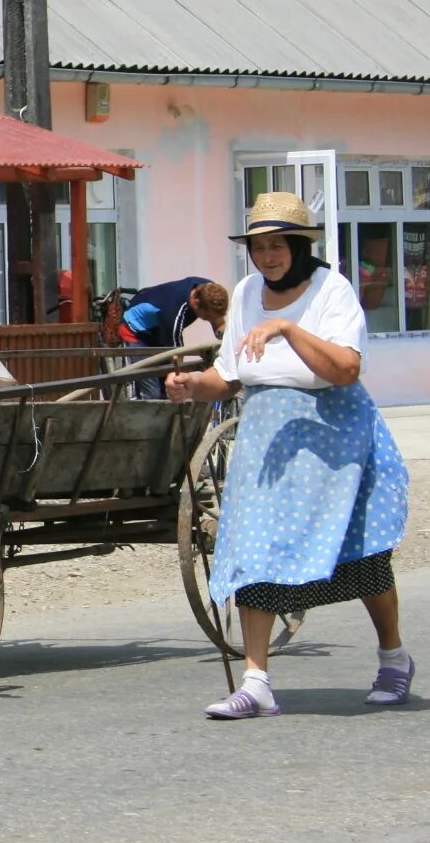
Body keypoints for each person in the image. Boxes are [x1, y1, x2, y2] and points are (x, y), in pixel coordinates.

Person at [164, 192, 412, 720]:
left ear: (300, 246)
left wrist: (288, 328)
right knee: (254, 551)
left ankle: (393, 657)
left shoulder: (332, 291)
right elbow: (228, 377)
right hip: (266, 442)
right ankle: (256, 683)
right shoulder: (249, 292)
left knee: (362, 556)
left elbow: (345, 369)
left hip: (334, 440)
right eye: (258, 247)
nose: (268, 256)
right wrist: (191, 385)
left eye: (278, 245)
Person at [123, 276, 228, 398]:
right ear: (196, 304)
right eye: (206, 317)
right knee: (153, 392)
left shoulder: (208, 289)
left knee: (168, 383)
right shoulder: (175, 313)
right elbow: (177, 355)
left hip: (159, 326)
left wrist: (228, 342)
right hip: (135, 330)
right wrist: (180, 383)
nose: (210, 320)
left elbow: (219, 324)